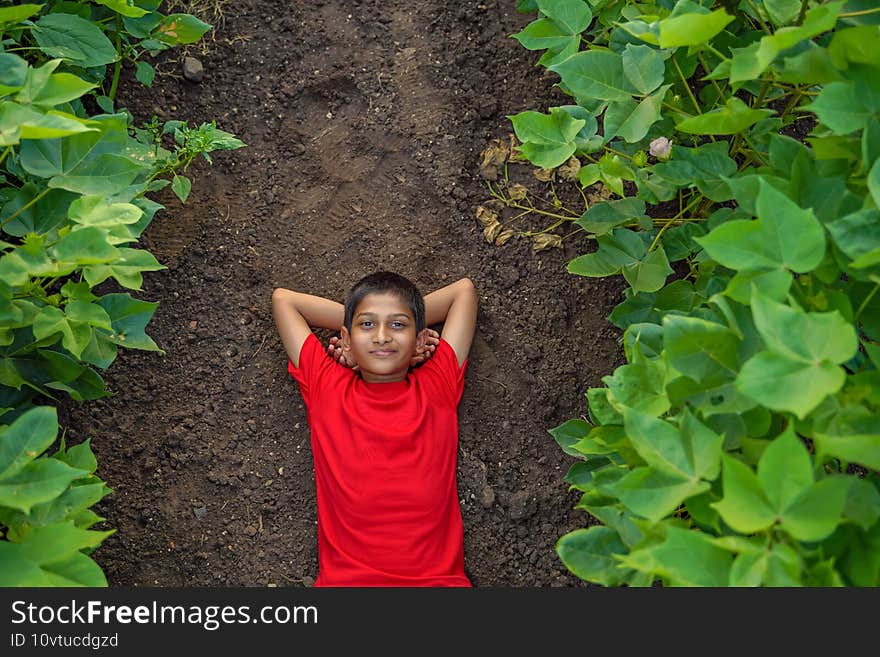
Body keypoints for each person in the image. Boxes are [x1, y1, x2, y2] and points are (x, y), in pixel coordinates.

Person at [271, 271, 478, 587]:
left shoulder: (438, 385)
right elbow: (284, 301)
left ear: (421, 339)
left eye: (398, 325)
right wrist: (393, 326)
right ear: (347, 339)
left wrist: (382, 328)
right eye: (367, 324)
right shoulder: (328, 388)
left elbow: (464, 292)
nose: (382, 336)